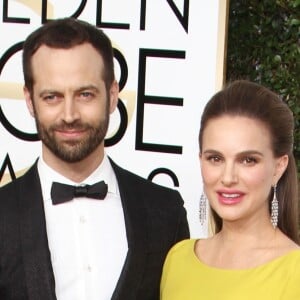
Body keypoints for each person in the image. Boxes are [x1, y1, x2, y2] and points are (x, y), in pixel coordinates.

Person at [0, 18, 189, 300]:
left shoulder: (165, 211)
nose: (69, 114)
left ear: (112, 95)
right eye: (52, 96)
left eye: (85, 94)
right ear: (29, 101)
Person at [160, 80, 300, 299]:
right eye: (215, 158)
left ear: (278, 167)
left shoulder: (294, 273)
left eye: (247, 160)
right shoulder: (177, 260)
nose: (227, 178)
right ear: (201, 160)